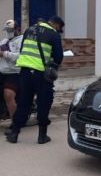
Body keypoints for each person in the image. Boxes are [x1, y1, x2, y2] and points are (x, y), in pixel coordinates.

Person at [6, 16, 64, 144]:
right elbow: (59, 57)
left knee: (23, 103)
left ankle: (14, 133)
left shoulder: (29, 30)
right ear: (57, 25)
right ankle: (42, 136)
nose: (59, 31)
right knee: (44, 102)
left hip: (25, 71)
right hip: (41, 73)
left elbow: (23, 50)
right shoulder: (53, 34)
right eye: (60, 29)